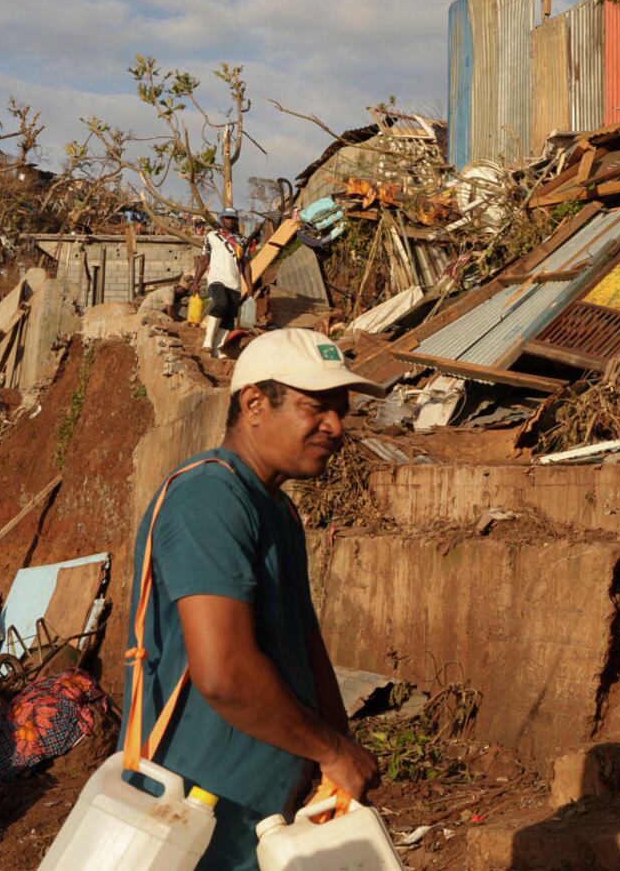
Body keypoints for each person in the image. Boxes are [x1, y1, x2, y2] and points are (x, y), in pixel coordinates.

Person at [124, 328, 385, 870]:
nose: (336, 427)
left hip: (260, 804)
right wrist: (334, 751)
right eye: (318, 408)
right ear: (255, 404)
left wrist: (337, 752)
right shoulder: (209, 498)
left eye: (342, 410)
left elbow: (306, 647)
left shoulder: (278, 511)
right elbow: (225, 674)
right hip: (197, 809)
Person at [193, 207, 250, 359]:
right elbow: (204, 259)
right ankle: (208, 340)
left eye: (233, 218)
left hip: (235, 282)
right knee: (221, 303)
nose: (230, 221)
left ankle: (218, 349)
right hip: (216, 279)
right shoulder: (211, 236)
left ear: (236, 220)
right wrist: (196, 282)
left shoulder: (242, 240)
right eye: (227, 218)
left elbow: (245, 264)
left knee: (229, 318)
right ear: (221, 219)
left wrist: (249, 286)